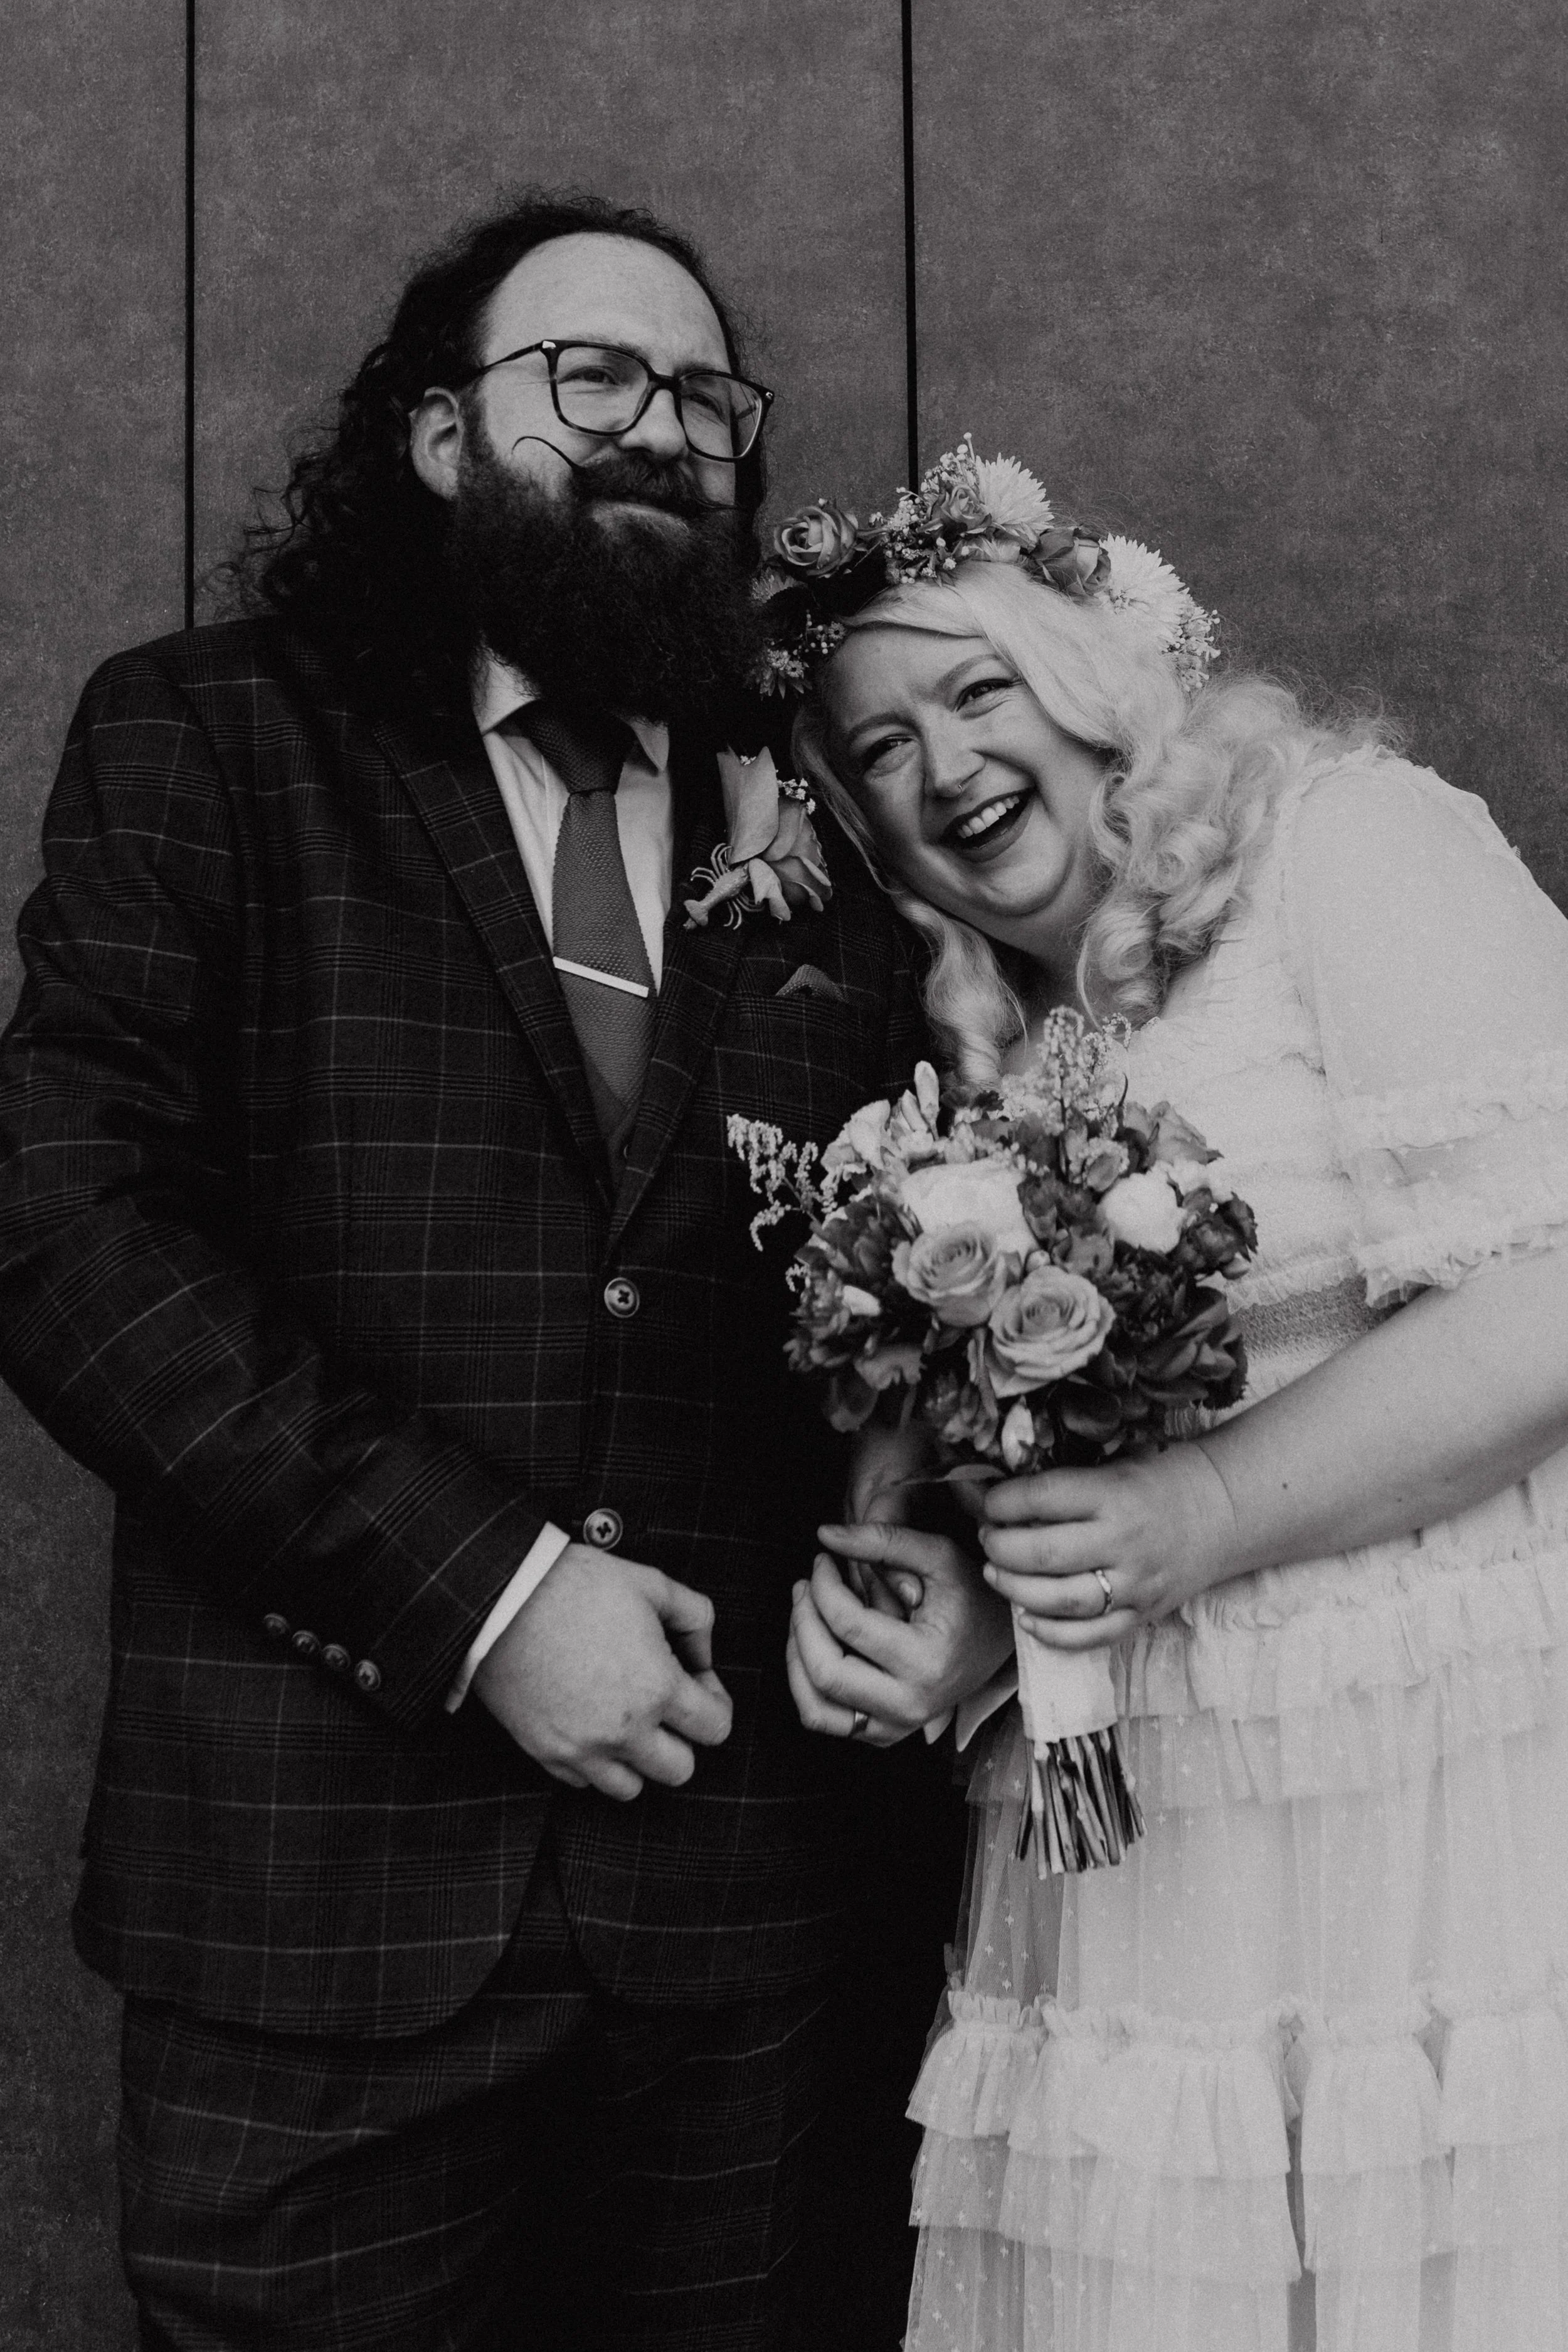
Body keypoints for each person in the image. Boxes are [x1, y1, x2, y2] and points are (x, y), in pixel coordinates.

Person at [0, 189, 968, 2352]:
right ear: (441, 438)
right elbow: (68, 1221)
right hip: (315, 1923)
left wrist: (937, 1539)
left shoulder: (834, 815)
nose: (658, 428)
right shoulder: (208, 738)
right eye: (588, 375)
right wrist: (494, 1596)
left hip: (750, 1939)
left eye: (703, 395)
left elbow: (929, 1266)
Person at [771, 442, 1568, 2350]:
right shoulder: (990, 1081)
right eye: (881, 751)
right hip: (1162, 1851)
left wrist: (1199, 1513)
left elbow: (1550, 1299)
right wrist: (976, 1621)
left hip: (1444, 1783)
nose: (944, 764)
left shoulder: (1345, 844)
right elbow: (1091, 1486)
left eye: (978, 689)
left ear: (1094, 677)